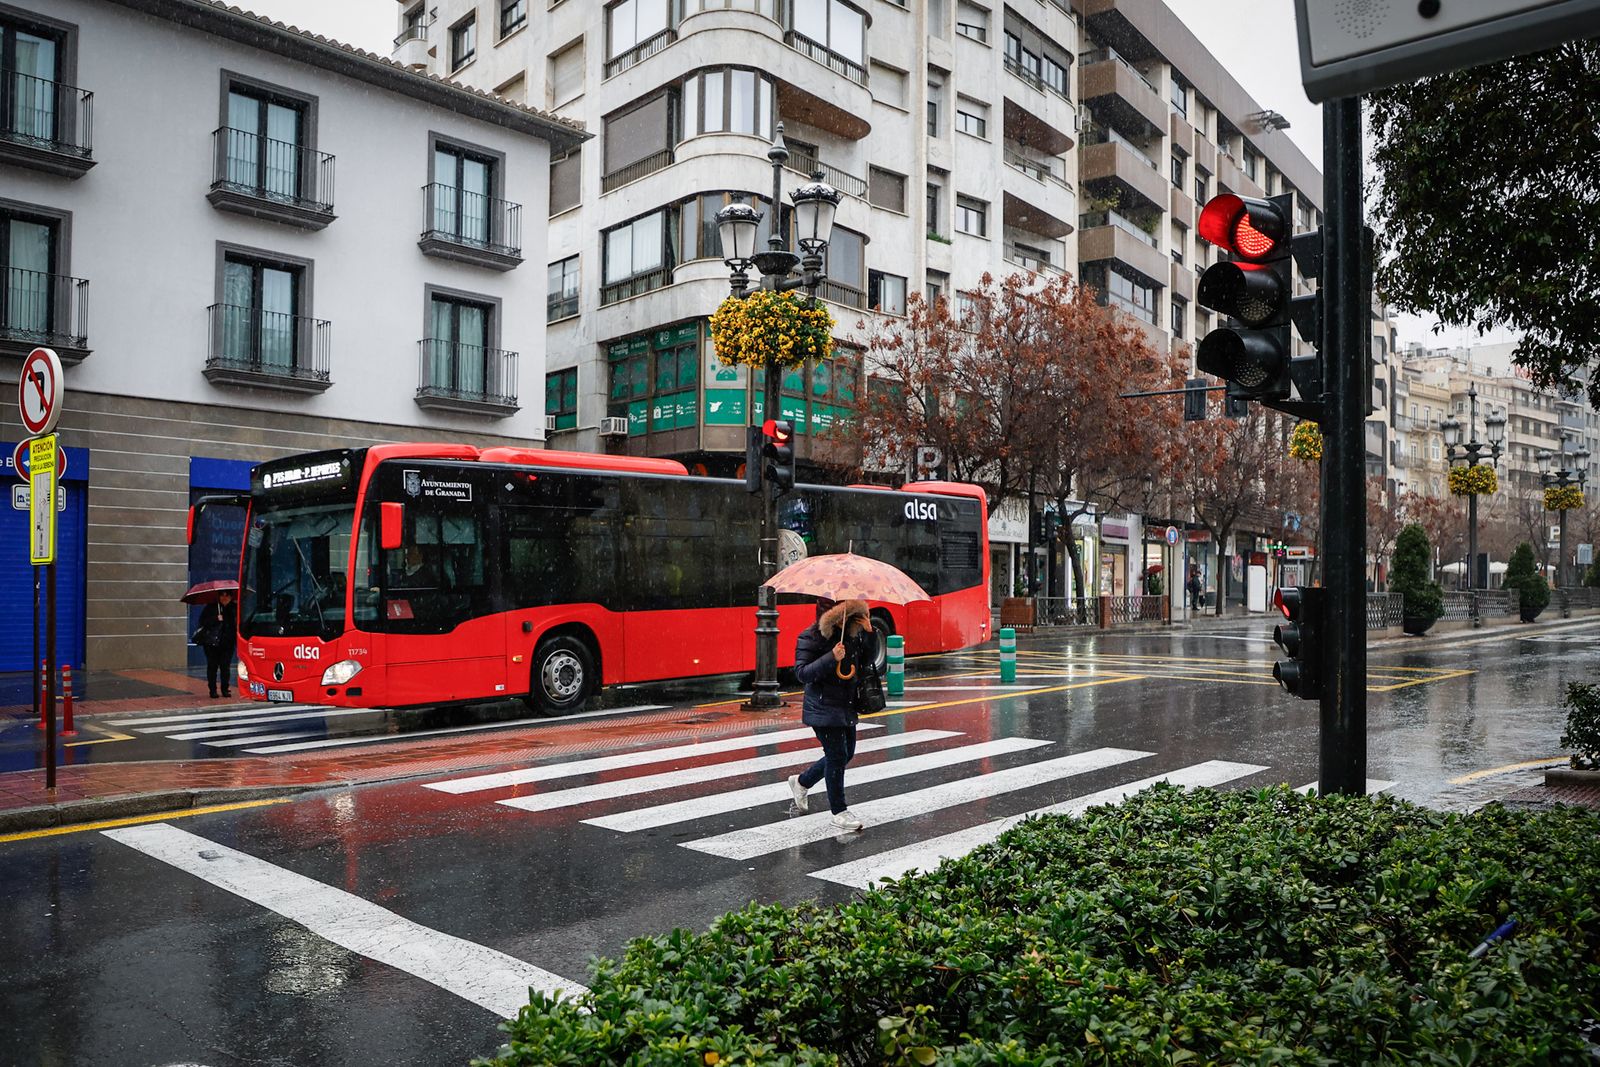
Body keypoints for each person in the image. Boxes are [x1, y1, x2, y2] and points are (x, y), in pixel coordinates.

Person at [787, 598, 876, 831]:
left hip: (846, 704)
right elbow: (802, 673)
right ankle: (839, 812)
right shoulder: (811, 637)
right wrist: (831, 658)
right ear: (836, 618)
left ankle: (801, 782)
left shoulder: (852, 635)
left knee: (846, 754)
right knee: (837, 756)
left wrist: (869, 633)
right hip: (823, 706)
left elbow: (868, 662)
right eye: (852, 618)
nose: (855, 623)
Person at [196, 590, 237, 699]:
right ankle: (213, 690)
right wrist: (215, 619)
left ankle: (225, 689)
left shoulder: (234, 608)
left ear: (231, 597)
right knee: (212, 667)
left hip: (227, 643)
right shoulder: (211, 608)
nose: (224, 598)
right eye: (222, 595)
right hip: (212, 644)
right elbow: (203, 622)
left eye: (227, 595)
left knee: (225, 667)